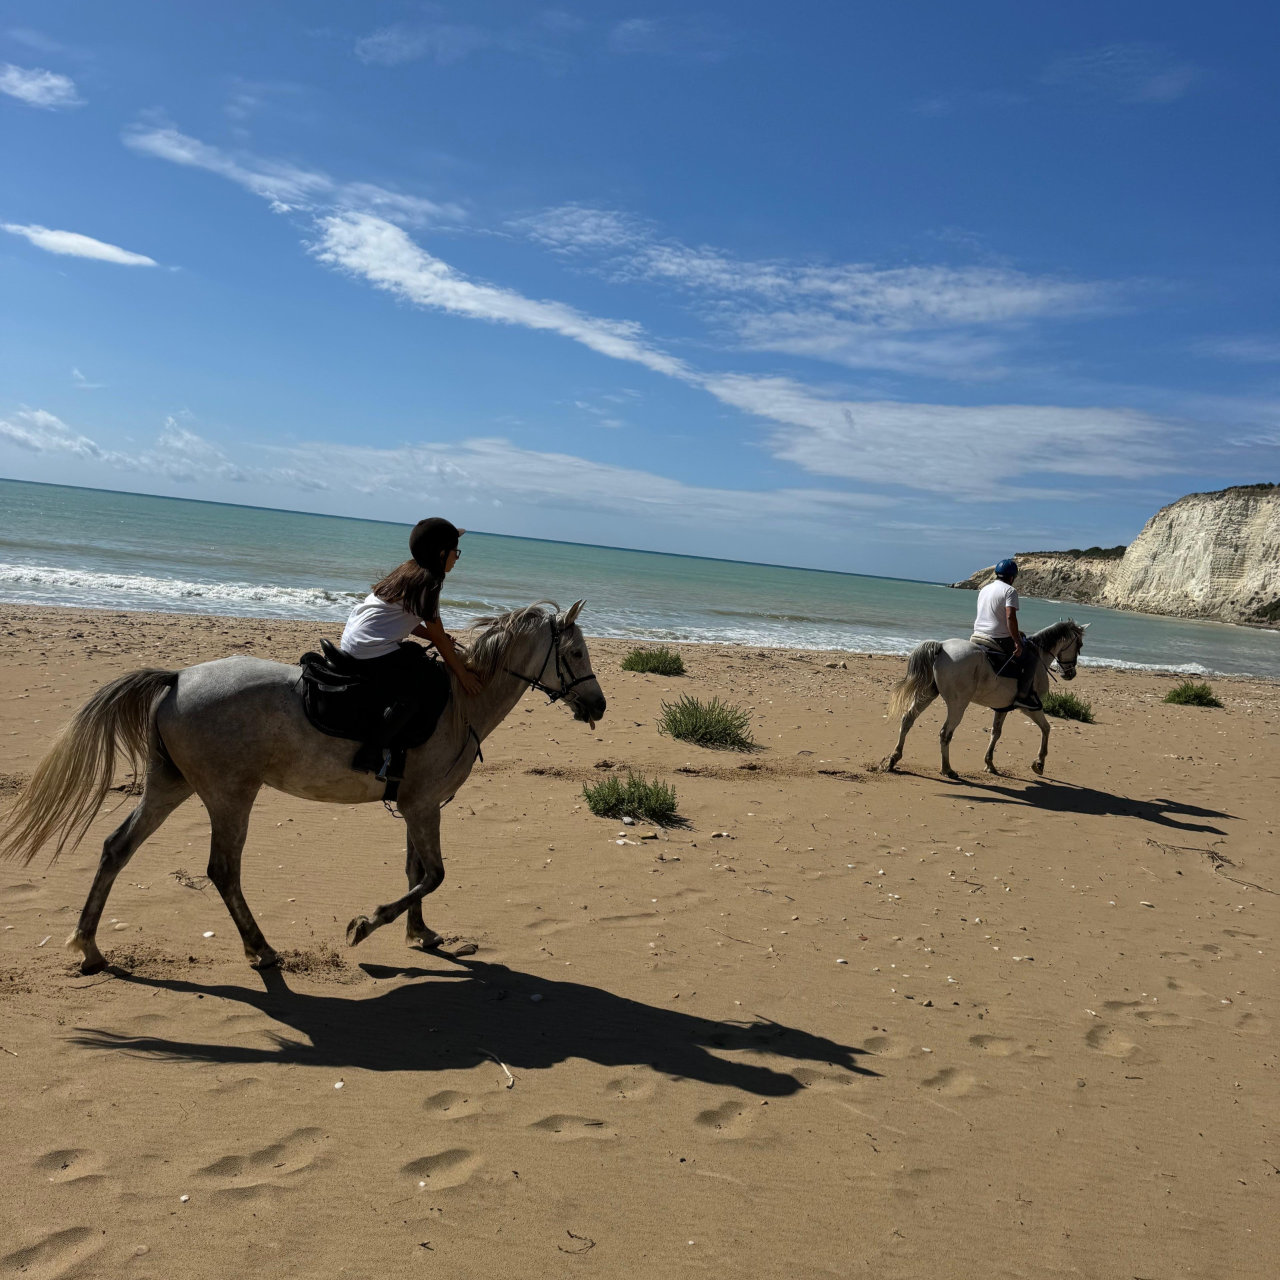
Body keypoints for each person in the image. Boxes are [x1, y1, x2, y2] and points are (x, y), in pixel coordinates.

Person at [340, 517, 482, 777]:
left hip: (356, 639)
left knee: (414, 656)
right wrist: (463, 675)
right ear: (441, 554)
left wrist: (433, 636)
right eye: (455, 551)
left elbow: (407, 619)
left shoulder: (408, 570)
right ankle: (371, 752)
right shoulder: (429, 582)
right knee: (421, 690)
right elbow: (440, 640)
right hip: (370, 649)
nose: (457, 558)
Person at [971, 558, 1041, 711]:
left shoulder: (984, 589)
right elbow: (1010, 617)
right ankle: (1023, 697)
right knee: (1031, 658)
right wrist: (1017, 641)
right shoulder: (1010, 591)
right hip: (997, 639)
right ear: (1012, 577)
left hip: (977, 635)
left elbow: (993, 615)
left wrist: (1016, 632)